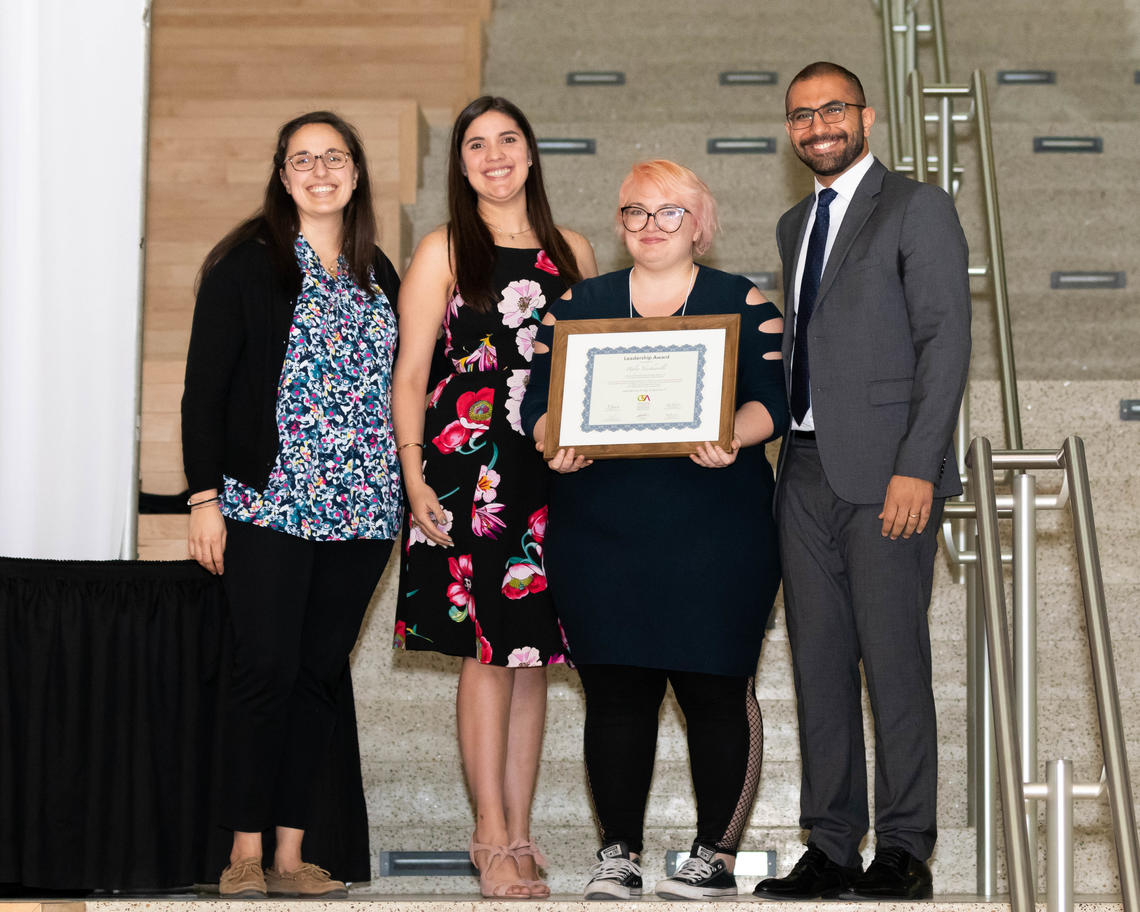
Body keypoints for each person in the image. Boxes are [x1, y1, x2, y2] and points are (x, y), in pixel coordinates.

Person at [520, 159, 789, 901]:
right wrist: (554, 435)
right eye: (635, 212)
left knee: (715, 689)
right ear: (618, 224)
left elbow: (775, 398)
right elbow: (536, 405)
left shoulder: (742, 301)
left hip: (717, 534)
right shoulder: (580, 305)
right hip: (601, 530)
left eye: (669, 212)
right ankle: (618, 854)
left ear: (699, 223)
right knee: (615, 692)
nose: (650, 226)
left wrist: (733, 431)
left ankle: (716, 856)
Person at [752, 62, 970, 902]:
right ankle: (833, 845)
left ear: (866, 116)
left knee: (894, 662)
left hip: (887, 475)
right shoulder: (792, 223)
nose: (817, 126)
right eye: (801, 116)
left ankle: (906, 846)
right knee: (818, 668)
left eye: (832, 109)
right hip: (802, 473)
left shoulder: (918, 207)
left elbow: (944, 342)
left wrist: (918, 465)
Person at [181, 111, 401, 899]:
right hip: (270, 501)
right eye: (302, 159)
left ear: (355, 171)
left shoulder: (381, 274)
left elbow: (400, 389)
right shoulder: (247, 265)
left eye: (333, 157)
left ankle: (290, 856)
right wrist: (204, 499)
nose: (319, 171)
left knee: (316, 676)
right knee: (264, 669)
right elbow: (204, 389)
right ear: (281, 174)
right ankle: (242, 852)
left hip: (365, 508)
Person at [391, 95, 597, 898]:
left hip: (551, 477)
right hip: (463, 476)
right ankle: (488, 831)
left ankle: (520, 824)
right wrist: (411, 476)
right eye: (476, 145)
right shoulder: (444, 249)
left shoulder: (571, 248)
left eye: (508, 138)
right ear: (461, 164)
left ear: (532, 152)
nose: (494, 155)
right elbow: (410, 374)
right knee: (486, 653)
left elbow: (586, 368)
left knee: (534, 657)